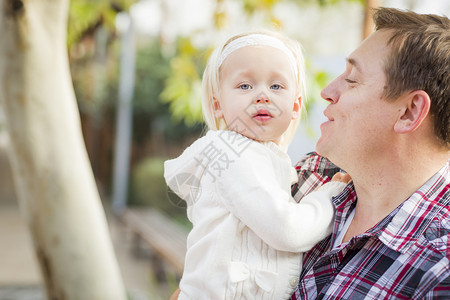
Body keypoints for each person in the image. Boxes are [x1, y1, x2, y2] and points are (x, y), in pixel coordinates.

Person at [164, 30, 351, 299]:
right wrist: (330, 195)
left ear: (296, 106)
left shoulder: (267, 159)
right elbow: (287, 229)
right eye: (245, 86)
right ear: (217, 105)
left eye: (276, 86)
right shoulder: (230, 155)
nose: (262, 95)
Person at [291, 7, 449, 299]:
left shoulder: (439, 271)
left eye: (351, 79)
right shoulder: (308, 176)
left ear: (409, 112)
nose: (327, 90)